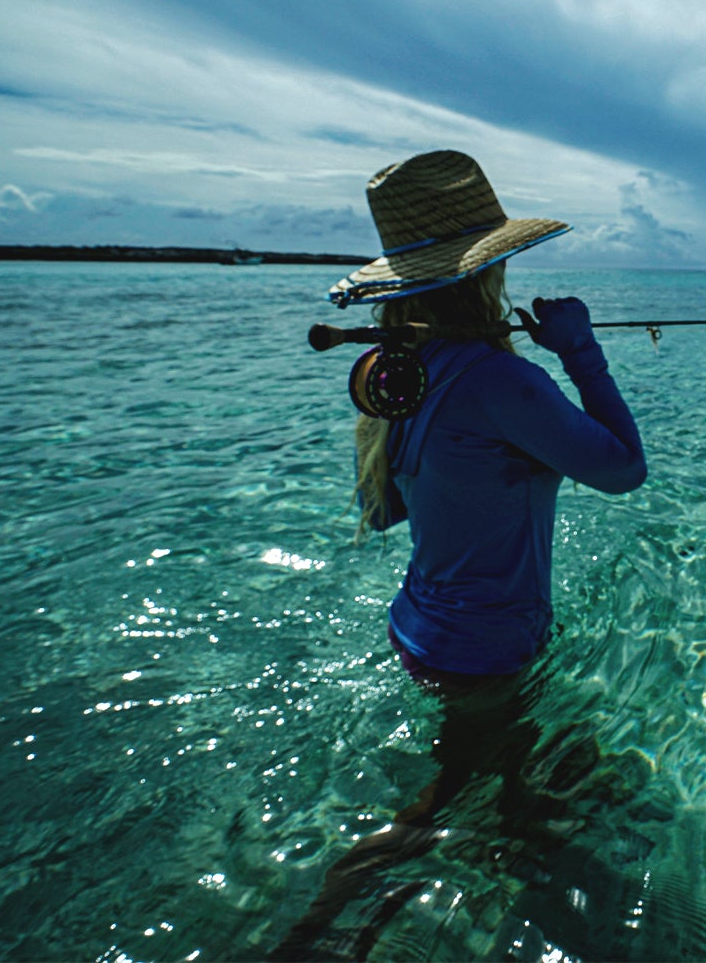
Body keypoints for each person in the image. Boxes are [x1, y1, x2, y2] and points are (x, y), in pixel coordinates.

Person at [273, 149, 646, 959]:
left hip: (420, 633)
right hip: (485, 649)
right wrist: (581, 353)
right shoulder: (500, 382)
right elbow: (624, 471)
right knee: (429, 813)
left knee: (508, 769)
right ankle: (303, 939)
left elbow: (384, 508)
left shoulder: (399, 372)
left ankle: (522, 840)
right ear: (488, 275)